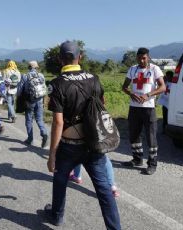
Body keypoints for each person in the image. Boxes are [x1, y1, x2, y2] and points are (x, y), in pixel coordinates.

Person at [45, 41, 121, 229]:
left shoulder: (57, 84)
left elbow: (58, 122)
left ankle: (57, 216)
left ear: (59, 59)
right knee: (104, 190)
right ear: (81, 57)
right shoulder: (94, 78)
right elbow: (102, 106)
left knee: (60, 179)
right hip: (94, 143)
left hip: (70, 144)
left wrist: (52, 154)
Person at [121, 47, 166, 175]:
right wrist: (130, 93)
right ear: (136, 57)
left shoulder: (154, 69)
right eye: (139, 58)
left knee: (151, 137)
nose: (141, 60)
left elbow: (163, 87)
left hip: (149, 108)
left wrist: (148, 95)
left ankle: (152, 164)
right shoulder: (132, 69)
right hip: (134, 108)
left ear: (148, 57)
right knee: (134, 135)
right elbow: (124, 87)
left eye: (144, 58)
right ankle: (137, 159)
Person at [19, 60, 48, 148]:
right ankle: (44, 133)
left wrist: (19, 98)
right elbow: (44, 88)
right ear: (36, 67)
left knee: (29, 119)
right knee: (39, 119)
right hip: (39, 99)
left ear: (29, 67)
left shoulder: (25, 76)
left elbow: (20, 89)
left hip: (29, 101)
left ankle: (30, 139)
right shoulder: (41, 75)